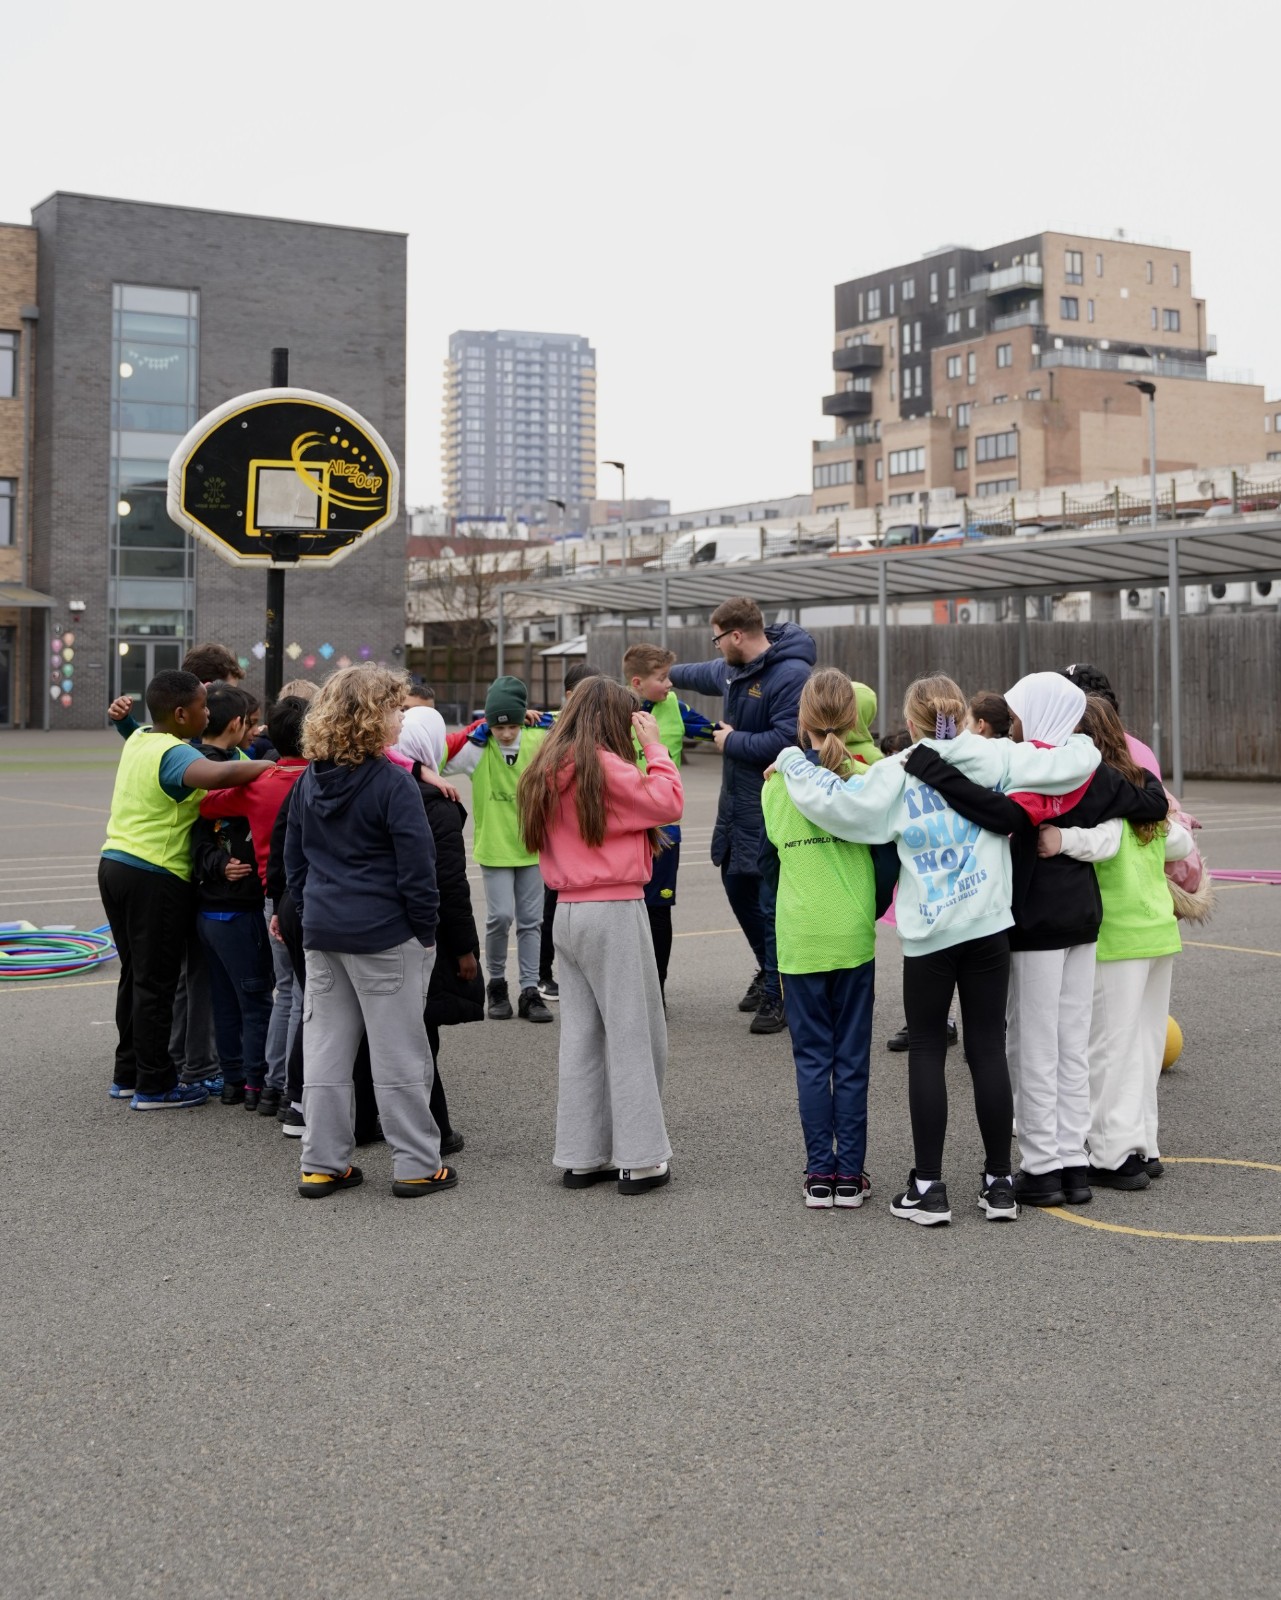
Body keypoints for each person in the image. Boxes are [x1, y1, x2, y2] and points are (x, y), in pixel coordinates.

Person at [774, 673, 1102, 1226]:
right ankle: (999, 1184)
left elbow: (835, 805)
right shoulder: (994, 756)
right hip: (988, 925)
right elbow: (1074, 762)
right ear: (962, 714)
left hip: (929, 932)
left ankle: (928, 1188)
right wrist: (1084, 739)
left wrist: (790, 760)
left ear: (909, 723)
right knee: (988, 1048)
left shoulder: (896, 771)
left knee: (927, 1050)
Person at [905, 673, 1169, 1208]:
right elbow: (1153, 801)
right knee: (1071, 1046)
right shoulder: (1090, 769)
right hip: (1083, 920)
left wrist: (932, 768)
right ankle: (1073, 1163)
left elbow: (1000, 814)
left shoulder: (1031, 769)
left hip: (1034, 921)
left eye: (1020, 713)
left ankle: (1043, 1166)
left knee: (1032, 1046)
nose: (1014, 723)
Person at [285, 665, 455, 1199]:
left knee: (326, 1053)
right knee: (399, 1053)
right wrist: (425, 932)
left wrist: (312, 908)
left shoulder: (309, 780)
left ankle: (322, 1163)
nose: (402, 718)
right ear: (372, 716)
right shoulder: (393, 783)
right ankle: (416, 1164)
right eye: (396, 708)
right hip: (385, 935)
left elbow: (294, 861)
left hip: (324, 932)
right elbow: (418, 870)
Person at [518, 678, 682, 1194]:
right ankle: (640, 1158)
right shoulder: (607, 767)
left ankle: (583, 1155)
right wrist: (654, 748)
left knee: (582, 1038)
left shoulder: (546, 767)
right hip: (613, 908)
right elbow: (668, 801)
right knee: (635, 1034)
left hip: (567, 910)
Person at [98, 671, 273, 1110]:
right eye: (201, 706)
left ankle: (128, 1074)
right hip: (154, 874)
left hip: (115, 864)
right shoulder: (175, 753)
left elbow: (134, 730)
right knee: (156, 983)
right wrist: (271, 767)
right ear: (180, 714)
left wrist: (123, 721)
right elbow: (217, 774)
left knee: (135, 976)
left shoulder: (142, 738)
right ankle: (155, 1086)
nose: (207, 713)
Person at [1058, 696, 1193, 1189]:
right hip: (1157, 929)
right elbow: (1181, 842)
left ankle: (1111, 1153)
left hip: (1116, 934)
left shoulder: (1098, 791)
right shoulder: (1143, 787)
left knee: (1108, 1049)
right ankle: (1144, 1143)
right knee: (1144, 1044)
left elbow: (1102, 843)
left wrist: (1059, 839)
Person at [668, 597, 816, 1035]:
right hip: (734, 807)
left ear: (736, 636)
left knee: (770, 904)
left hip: (772, 806)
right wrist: (662, 674)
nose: (715, 647)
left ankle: (779, 992)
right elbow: (699, 673)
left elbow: (787, 741)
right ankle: (769, 970)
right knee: (736, 886)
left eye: (717, 639)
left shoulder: (791, 675)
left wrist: (731, 741)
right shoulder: (734, 670)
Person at [762, 670, 878, 1210]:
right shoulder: (868, 781)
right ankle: (849, 1174)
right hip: (851, 931)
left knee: (812, 1059)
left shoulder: (776, 785)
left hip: (801, 933)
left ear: (801, 720)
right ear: (854, 721)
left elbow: (770, 856)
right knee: (851, 1059)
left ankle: (819, 1173)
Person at [199, 694, 311, 1116]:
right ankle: (297, 1088)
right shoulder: (319, 779)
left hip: (271, 896)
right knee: (306, 996)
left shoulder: (261, 782)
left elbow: (207, 804)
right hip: (309, 896)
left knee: (284, 992)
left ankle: (271, 1086)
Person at [396, 705, 484, 1156]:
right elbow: (449, 885)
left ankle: (366, 1120)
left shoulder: (374, 784)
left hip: (357, 927)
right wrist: (465, 949)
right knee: (420, 1035)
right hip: (421, 935)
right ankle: (435, 1130)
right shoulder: (437, 804)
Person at [186, 684, 279, 1108]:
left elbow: (196, 834)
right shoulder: (232, 772)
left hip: (209, 907)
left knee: (226, 1000)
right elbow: (203, 831)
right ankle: (256, 1083)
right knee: (255, 1000)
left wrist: (213, 864)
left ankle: (232, 1080)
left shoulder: (195, 762)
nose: (255, 730)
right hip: (237, 909)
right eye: (251, 722)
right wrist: (220, 863)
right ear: (238, 723)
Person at [444, 675, 553, 1024]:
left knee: (531, 921)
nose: (505, 733)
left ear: (523, 719)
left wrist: (545, 717)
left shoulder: (539, 740)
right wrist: (476, 728)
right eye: (498, 726)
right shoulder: (479, 747)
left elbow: (574, 724)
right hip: (495, 848)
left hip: (532, 847)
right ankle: (496, 983)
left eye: (512, 725)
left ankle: (530, 989)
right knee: (500, 917)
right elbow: (435, 756)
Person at [621, 643, 716, 997]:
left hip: (664, 829)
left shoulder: (675, 707)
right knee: (624, 909)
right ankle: (628, 987)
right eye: (662, 678)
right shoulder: (613, 709)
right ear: (637, 682)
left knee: (658, 910)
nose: (669, 684)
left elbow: (715, 731)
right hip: (623, 827)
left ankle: (655, 991)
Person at [536, 662, 603, 1000]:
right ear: (569, 695)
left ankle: (586, 973)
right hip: (560, 833)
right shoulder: (551, 725)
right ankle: (543, 973)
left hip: (590, 830)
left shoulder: (603, 726)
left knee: (588, 912)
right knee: (552, 908)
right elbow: (497, 722)